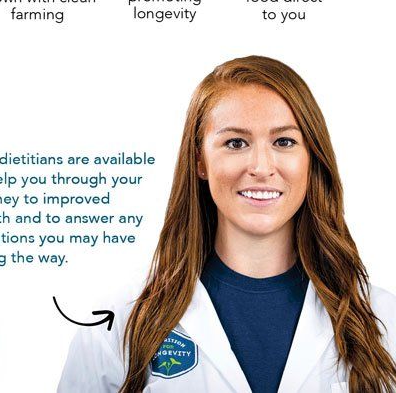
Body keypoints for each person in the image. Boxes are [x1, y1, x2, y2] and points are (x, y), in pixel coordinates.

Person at [58, 56, 396, 392]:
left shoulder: (384, 321)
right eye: (236, 143)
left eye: (284, 142)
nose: (261, 166)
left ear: (312, 157)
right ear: (200, 160)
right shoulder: (117, 324)